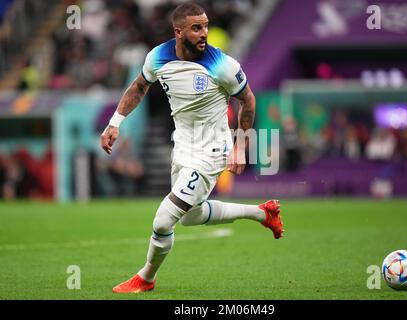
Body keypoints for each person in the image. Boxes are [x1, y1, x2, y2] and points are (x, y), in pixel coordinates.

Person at [100, 2, 284, 294]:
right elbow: (138, 87)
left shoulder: (222, 65)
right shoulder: (158, 57)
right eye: (197, 28)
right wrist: (115, 123)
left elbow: (248, 100)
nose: (204, 33)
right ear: (178, 31)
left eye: (206, 26)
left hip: (212, 150)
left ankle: (146, 278)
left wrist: (239, 146)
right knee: (190, 216)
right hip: (183, 146)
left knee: (164, 220)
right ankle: (263, 214)